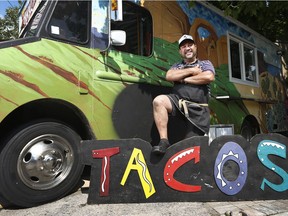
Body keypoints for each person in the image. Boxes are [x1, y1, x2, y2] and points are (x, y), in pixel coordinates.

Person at [151, 34, 215, 155]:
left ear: (195, 47)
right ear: (180, 51)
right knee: (158, 101)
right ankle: (164, 141)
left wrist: (184, 79)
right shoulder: (177, 66)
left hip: (198, 110)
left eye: (190, 45)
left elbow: (208, 76)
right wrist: (192, 71)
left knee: (189, 148)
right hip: (177, 103)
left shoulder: (205, 64)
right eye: (184, 46)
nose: (187, 48)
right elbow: (169, 76)